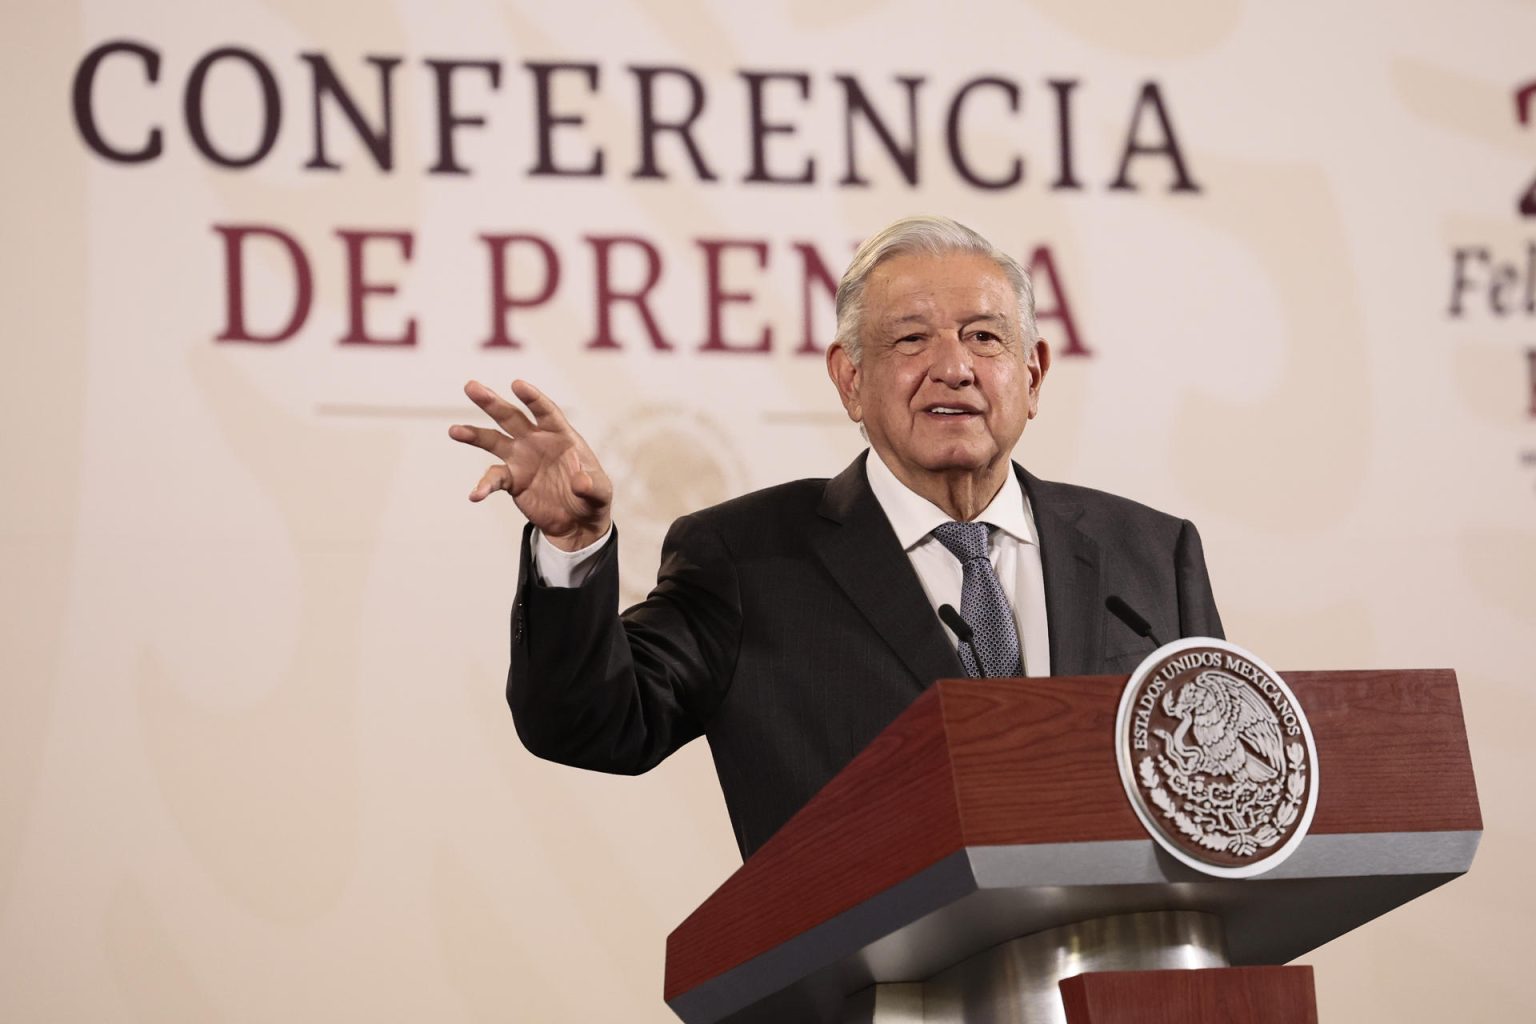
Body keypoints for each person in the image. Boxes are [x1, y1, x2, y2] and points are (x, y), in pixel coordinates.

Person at [449, 216, 1222, 859]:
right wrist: (575, 548)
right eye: (911, 340)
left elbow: (1228, 796)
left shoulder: (1153, 554)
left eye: (985, 337)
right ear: (850, 379)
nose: (953, 367)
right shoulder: (746, 559)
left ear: (1034, 373)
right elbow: (591, 723)